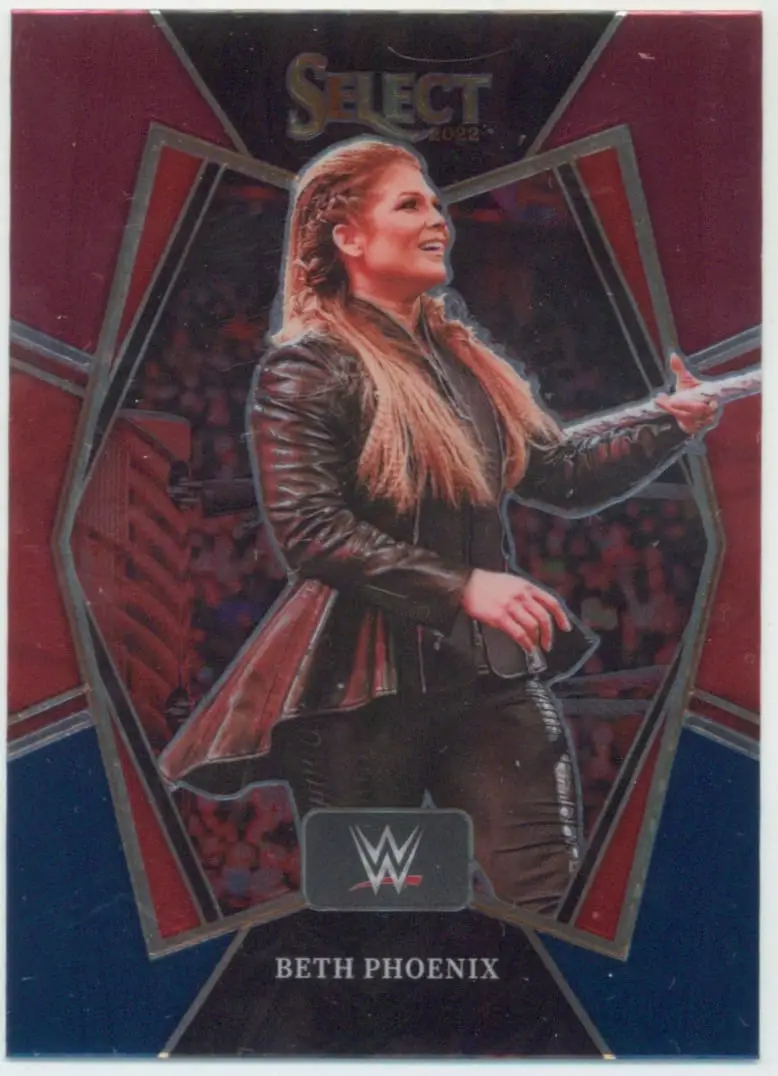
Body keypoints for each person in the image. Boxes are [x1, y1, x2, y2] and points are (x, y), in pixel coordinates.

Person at [159, 137, 715, 915]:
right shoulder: (309, 367)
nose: (438, 219)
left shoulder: (463, 359)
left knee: (551, 899)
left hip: (490, 678)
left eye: (435, 203)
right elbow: (309, 529)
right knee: (375, 920)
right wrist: (462, 587)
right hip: (360, 696)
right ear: (348, 237)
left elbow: (561, 473)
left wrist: (667, 424)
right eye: (409, 204)